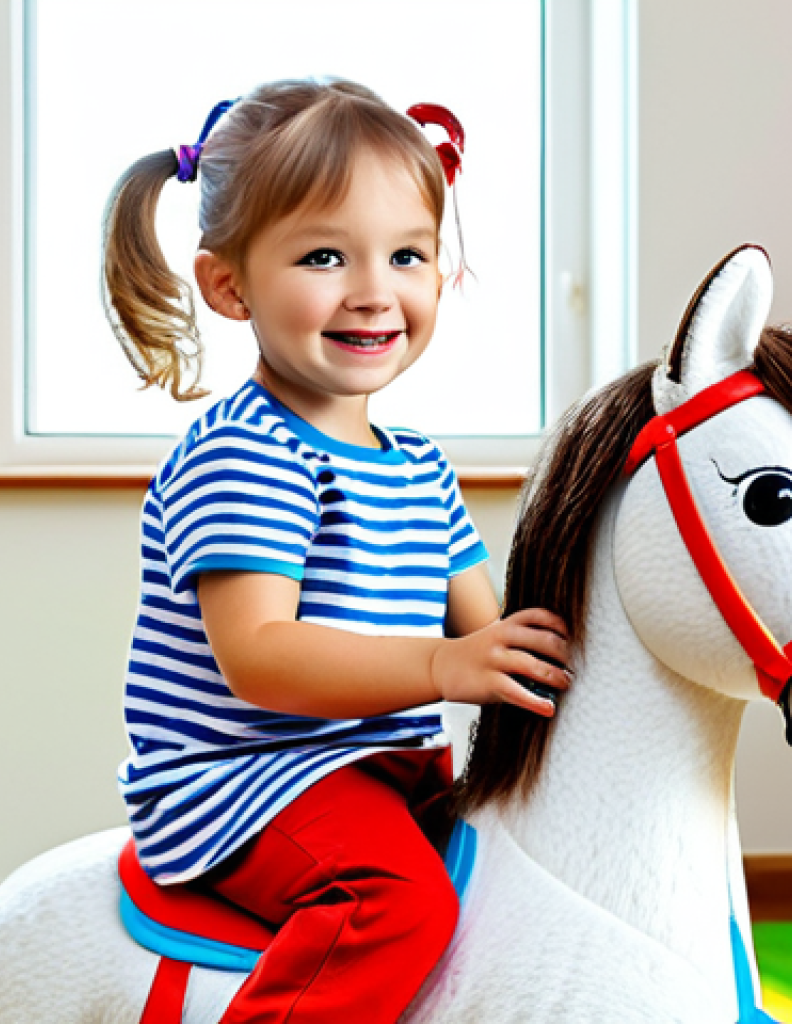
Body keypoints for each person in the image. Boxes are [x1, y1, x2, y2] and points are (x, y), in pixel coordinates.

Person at [101, 77, 570, 1023]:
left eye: (407, 255)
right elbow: (260, 658)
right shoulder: (246, 453)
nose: (373, 293)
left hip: (384, 770)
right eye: (324, 256)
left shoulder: (419, 464)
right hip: (245, 781)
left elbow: (491, 630)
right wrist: (442, 667)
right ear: (229, 286)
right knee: (394, 902)